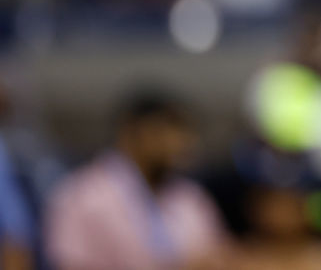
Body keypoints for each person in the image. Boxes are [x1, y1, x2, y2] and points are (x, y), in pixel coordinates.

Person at [45, 90, 227, 270]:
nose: (180, 142)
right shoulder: (82, 197)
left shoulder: (191, 198)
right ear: (130, 132)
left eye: (185, 132)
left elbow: (216, 256)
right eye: (165, 130)